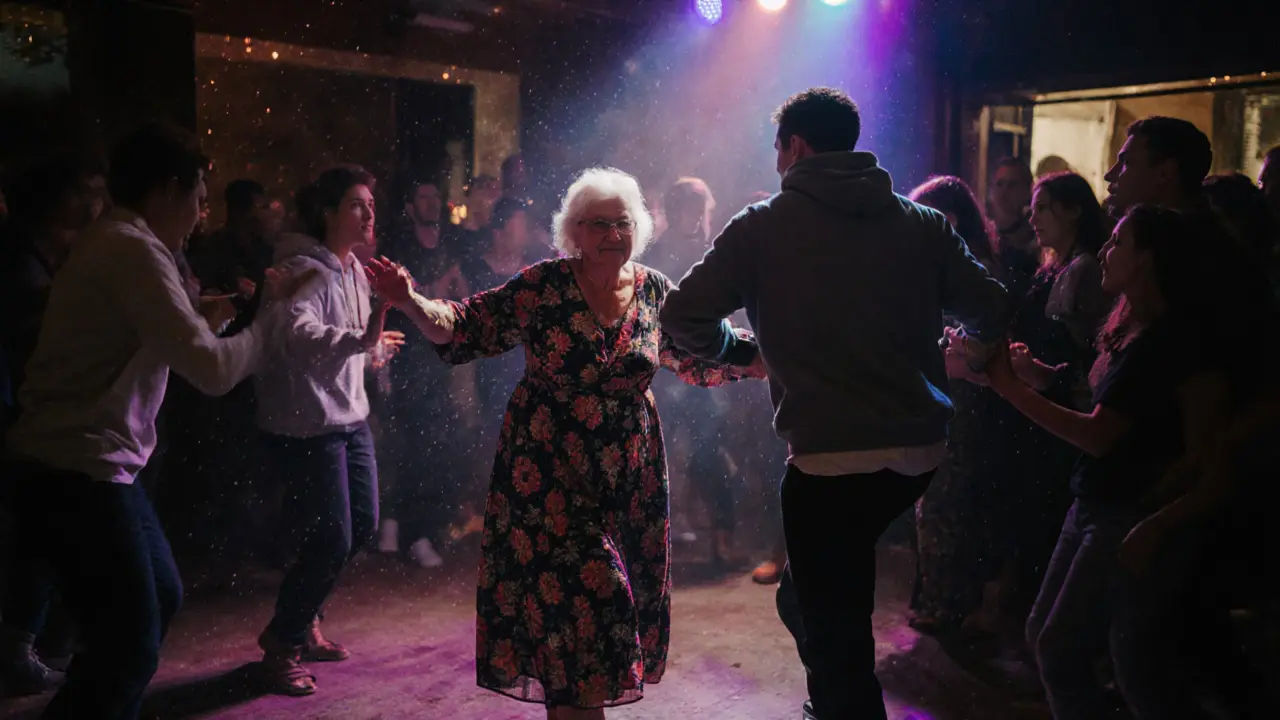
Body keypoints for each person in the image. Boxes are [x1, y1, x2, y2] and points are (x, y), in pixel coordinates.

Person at [659, 87, 1010, 720]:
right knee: (814, 602)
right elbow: (989, 306)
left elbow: (682, 318)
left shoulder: (762, 225)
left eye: (777, 150)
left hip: (828, 467)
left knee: (838, 641)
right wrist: (978, 356)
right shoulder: (921, 222)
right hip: (917, 458)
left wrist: (742, 354)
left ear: (794, 146)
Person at [366, 167, 764, 719]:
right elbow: (462, 324)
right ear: (573, 232)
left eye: (622, 222)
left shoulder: (653, 290)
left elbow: (698, 353)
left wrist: (772, 356)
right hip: (549, 477)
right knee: (595, 594)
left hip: (629, 481)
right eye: (597, 223)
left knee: (574, 630)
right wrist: (409, 299)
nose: (612, 233)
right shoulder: (544, 286)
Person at [3, 121, 302, 720]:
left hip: (94, 464)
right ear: (167, 190)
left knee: (157, 599)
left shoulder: (124, 242)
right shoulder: (132, 250)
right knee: (128, 643)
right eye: (196, 198)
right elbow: (213, 373)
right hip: (75, 465)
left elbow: (164, 341)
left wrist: (203, 315)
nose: (198, 215)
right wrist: (271, 317)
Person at [949, 205, 1226, 720]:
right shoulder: (1131, 326)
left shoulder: (1171, 341)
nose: (1105, 249)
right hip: (1096, 502)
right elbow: (1099, 400)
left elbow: (1100, 434)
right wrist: (1039, 376)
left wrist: (1006, 384)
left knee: (1101, 657)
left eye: (1119, 241)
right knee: (1065, 643)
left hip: (1131, 512)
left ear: (1150, 258)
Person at [252, 166, 402, 696]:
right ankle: (283, 641)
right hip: (309, 422)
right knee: (332, 537)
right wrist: (362, 339)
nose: (369, 213)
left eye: (370, 204)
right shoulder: (302, 270)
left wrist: (375, 349)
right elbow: (300, 337)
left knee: (361, 526)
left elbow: (355, 344)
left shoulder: (354, 271)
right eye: (357, 204)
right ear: (328, 212)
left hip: (350, 417)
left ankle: (306, 617)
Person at [903, 175, 1000, 636]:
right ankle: (939, 598)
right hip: (941, 395)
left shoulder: (967, 270)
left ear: (950, 219)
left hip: (958, 398)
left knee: (944, 500)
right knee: (937, 499)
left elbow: (971, 343)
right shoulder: (944, 265)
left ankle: (947, 606)